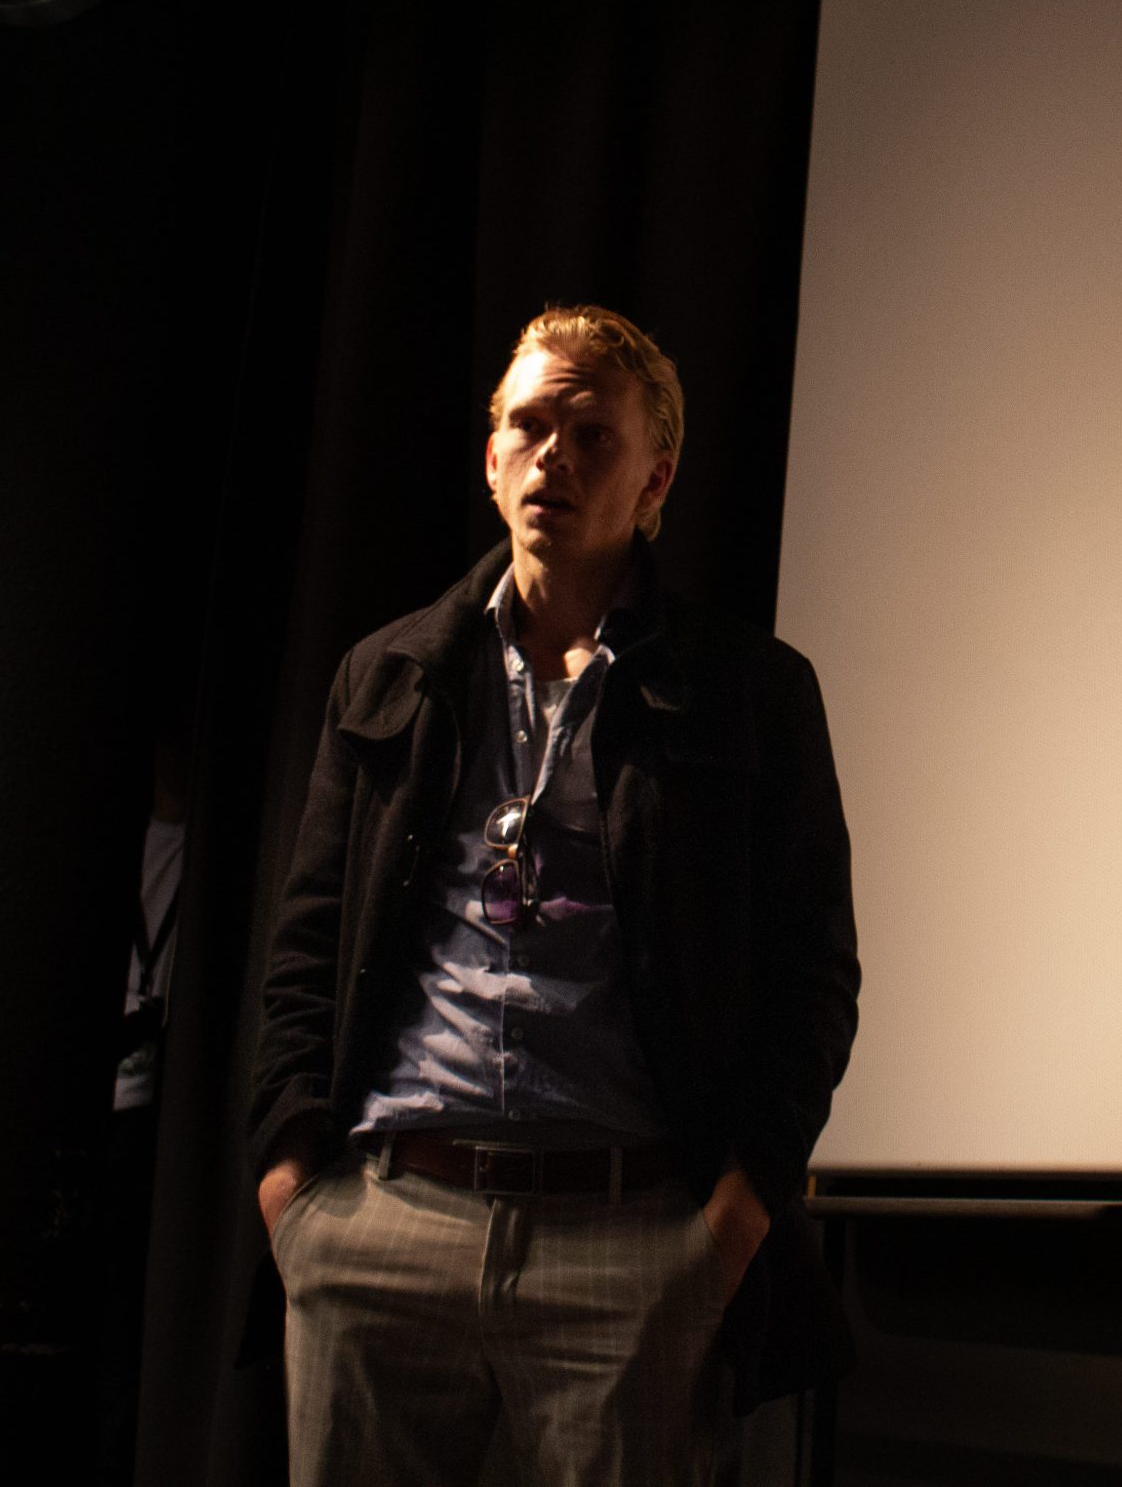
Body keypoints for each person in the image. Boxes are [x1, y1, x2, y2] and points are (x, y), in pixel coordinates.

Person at [249, 304, 860, 1487]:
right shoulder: (390, 671)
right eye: (529, 428)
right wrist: (292, 1188)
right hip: (386, 1224)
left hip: (631, 1243)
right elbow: (305, 944)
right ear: (491, 459)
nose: (553, 458)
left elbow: (812, 976)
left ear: (655, 478)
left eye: (591, 435)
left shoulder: (750, 691)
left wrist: (729, 1224)